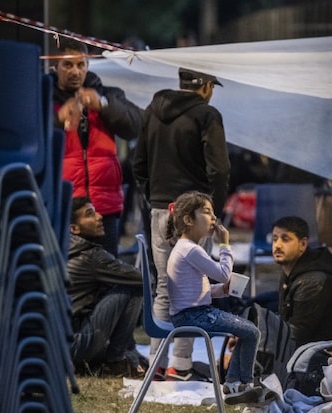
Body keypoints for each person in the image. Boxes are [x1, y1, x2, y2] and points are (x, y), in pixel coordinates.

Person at [132, 67, 231, 380]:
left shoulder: (152, 111)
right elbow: (220, 168)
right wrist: (213, 208)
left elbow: (138, 163)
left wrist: (155, 198)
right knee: (194, 291)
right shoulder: (207, 115)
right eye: (212, 86)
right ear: (204, 87)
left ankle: (156, 364)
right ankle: (181, 365)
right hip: (195, 211)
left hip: (161, 208)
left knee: (165, 285)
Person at [165, 192, 266, 404]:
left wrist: (222, 290)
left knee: (247, 331)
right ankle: (243, 384)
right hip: (194, 316)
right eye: (207, 212)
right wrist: (225, 245)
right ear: (188, 220)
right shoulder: (191, 249)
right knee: (251, 332)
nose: (214, 218)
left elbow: (197, 291)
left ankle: (233, 384)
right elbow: (223, 273)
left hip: (190, 313)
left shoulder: (185, 248)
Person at [52, 38, 142, 257]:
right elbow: (30, 139)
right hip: (64, 204)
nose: (75, 71)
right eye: (68, 65)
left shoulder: (108, 95)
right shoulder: (43, 99)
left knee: (108, 274)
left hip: (104, 205)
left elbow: (134, 126)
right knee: (66, 276)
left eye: (80, 65)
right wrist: (57, 119)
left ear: (88, 65)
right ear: (55, 67)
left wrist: (103, 105)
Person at [66, 197, 147, 378]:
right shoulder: (91, 256)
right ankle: (115, 361)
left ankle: (119, 357)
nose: (100, 216)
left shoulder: (65, 248)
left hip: (59, 345)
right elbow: (142, 279)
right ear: (74, 228)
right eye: (90, 214)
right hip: (76, 344)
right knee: (133, 287)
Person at [271, 215, 332, 344]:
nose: (277, 245)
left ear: (303, 244)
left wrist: (255, 334)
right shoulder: (290, 271)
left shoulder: (311, 281)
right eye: (275, 239)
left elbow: (295, 336)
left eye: (285, 239)